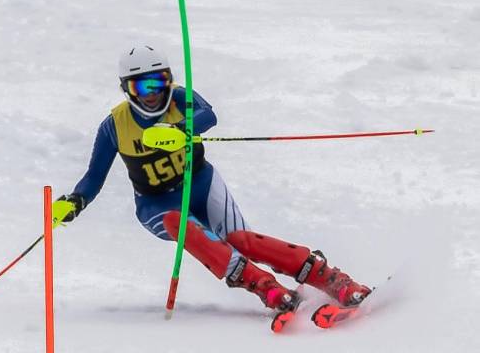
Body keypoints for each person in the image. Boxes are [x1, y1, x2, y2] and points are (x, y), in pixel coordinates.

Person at [52, 45, 371, 313]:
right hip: (156, 204)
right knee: (180, 224)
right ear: (127, 89)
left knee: (241, 242)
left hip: (201, 184)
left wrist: (181, 130)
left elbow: (209, 115)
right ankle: (264, 286)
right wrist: (74, 202)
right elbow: (94, 177)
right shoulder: (114, 126)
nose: (154, 95)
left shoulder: (179, 98)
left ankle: (330, 279)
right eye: (142, 87)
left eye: (160, 83)